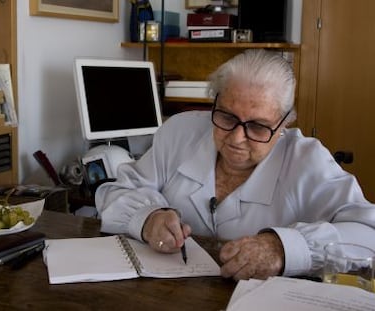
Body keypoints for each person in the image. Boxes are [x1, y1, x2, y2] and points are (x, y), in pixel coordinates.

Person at [96, 49, 375, 281]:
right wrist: (147, 218)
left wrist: (283, 247)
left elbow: (369, 233)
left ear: (283, 124)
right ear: (214, 103)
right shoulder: (179, 132)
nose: (237, 138)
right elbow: (114, 193)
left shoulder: (307, 160)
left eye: (257, 126)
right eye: (227, 117)